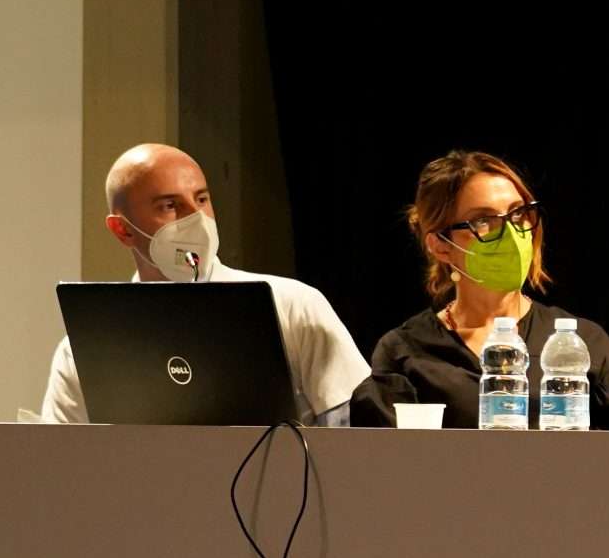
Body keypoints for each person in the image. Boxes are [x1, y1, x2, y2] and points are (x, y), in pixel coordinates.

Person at [40, 143, 367, 424]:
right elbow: (58, 457)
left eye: (201, 199)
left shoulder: (294, 305)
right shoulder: (87, 347)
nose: (195, 218)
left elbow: (356, 429)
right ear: (123, 230)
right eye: (170, 205)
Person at [350, 149, 609, 428]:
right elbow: (383, 457)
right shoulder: (406, 353)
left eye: (517, 213)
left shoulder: (582, 343)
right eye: (483, 220)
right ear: (441, 245)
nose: (511, 233)